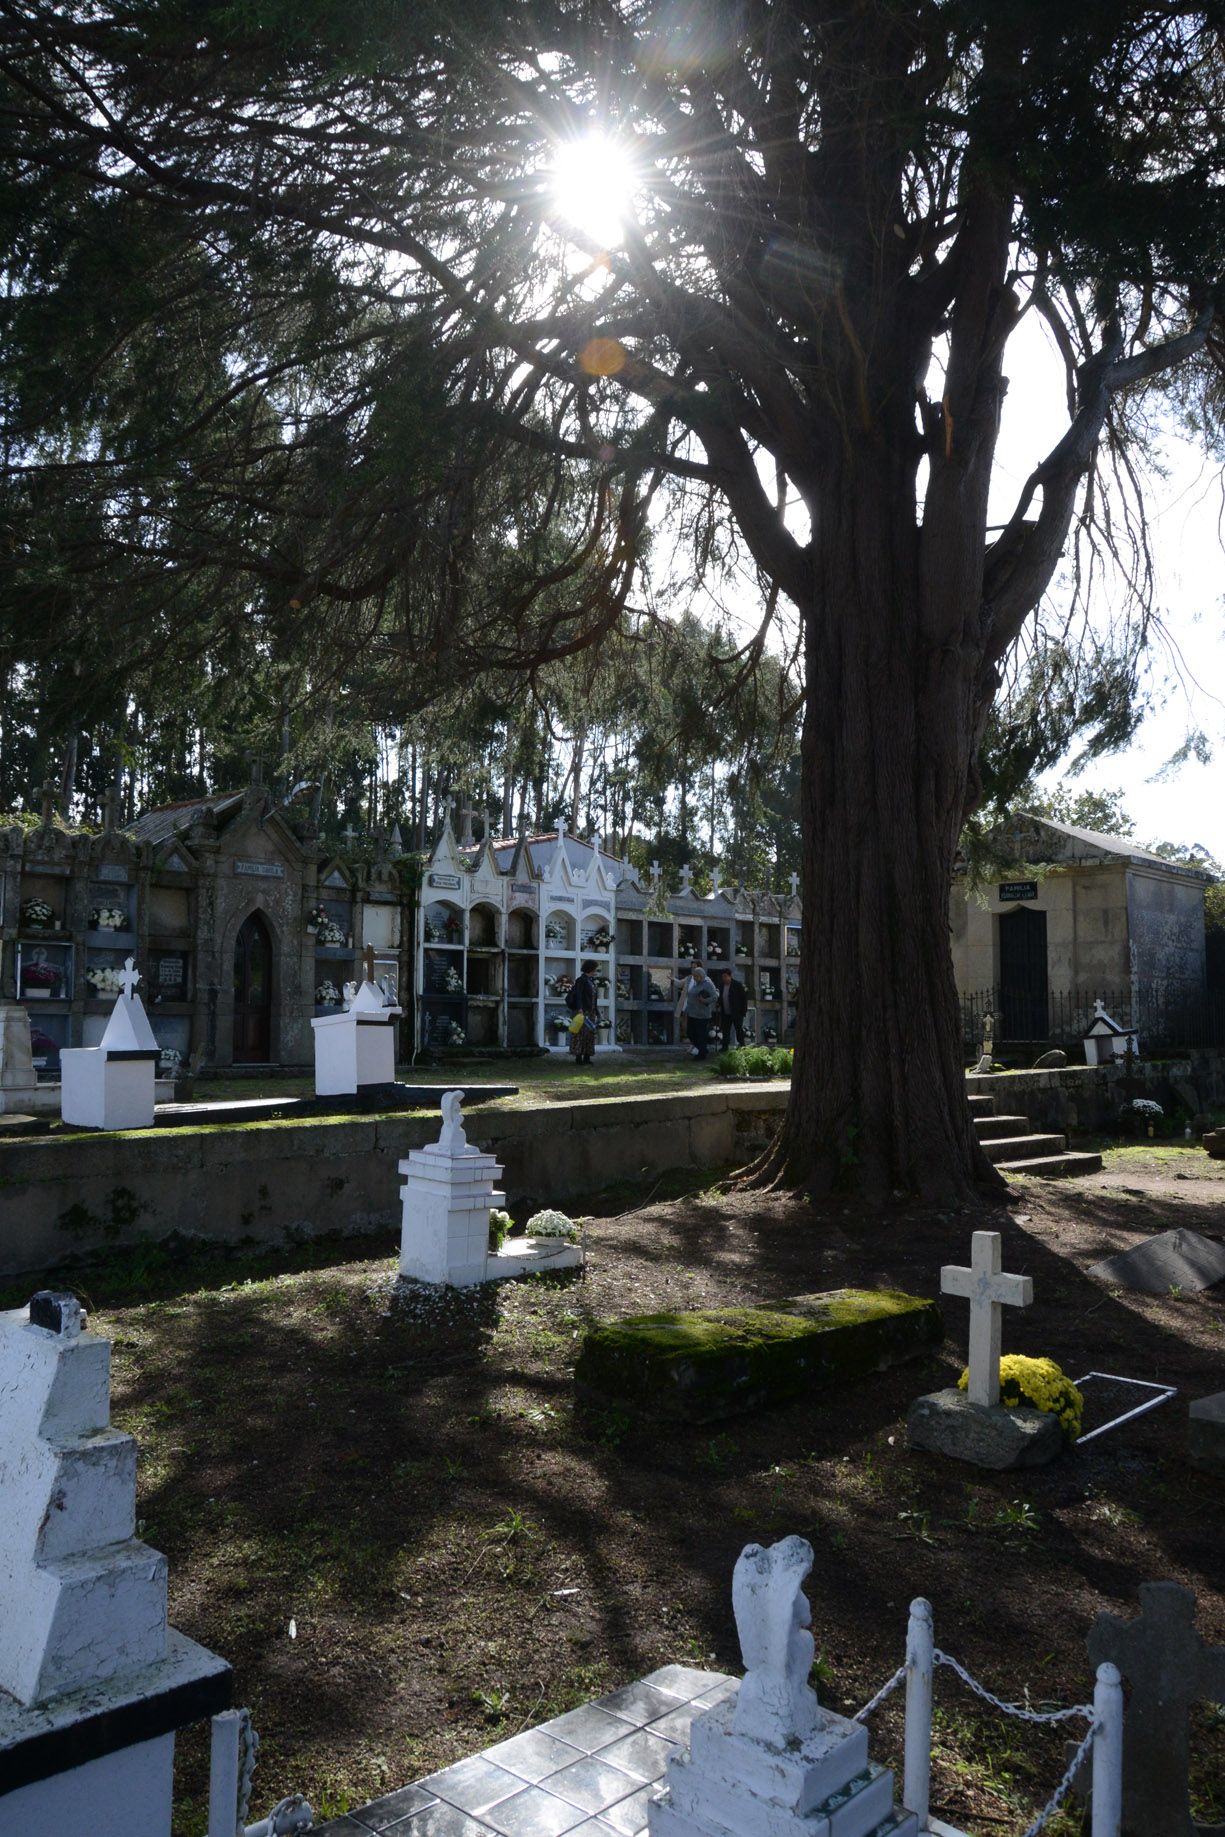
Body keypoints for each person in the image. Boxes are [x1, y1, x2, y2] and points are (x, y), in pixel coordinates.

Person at [676, 959, 718, 1059]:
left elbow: (715, 996)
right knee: (690, 1032)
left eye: (696, 976)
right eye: (694, 976)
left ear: (701, 976)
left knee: (700, 1035)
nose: (694, 978)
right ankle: (701, 1049)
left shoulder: (707, 983)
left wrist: (704, 1000)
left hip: (702, 1015)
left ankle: (701, 1054)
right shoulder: (696, 983)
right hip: (692, 1013)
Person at [566, 958, 600, 1066]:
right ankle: (578, 1058)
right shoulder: (581, 980)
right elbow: (579, 995)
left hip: (591, 1012)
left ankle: (587, 1057)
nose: (596, 971)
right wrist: (580, 1008)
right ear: (590, 968)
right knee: (580, 1034)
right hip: (583, 1011)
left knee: (589, 1035)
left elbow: (594, 997)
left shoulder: (591, 981)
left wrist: (596, 1011)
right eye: (595, 969)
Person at [717, 967, 748, 1051]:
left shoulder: (737, 985)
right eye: (723, 977)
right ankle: (725, 1046)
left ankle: (742, 1045)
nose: (724, 978)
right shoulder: (721, 985)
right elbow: (721, 997)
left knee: (738, 1029)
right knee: (725, 1030)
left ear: (730, 976)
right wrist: (718, 1003)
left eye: (725, 976)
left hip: (737, 1013)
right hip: (725, 1012)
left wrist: (743, 1011)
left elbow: (744, 999)